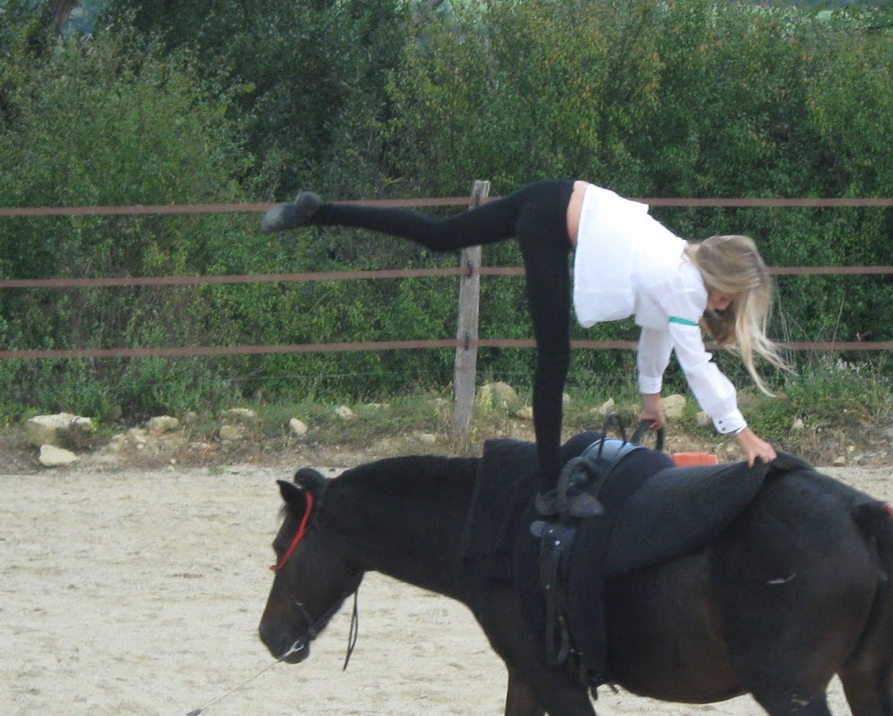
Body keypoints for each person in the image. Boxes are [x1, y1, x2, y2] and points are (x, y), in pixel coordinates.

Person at [261, 180, 786, 514]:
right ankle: (549, 487)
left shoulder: (680, 272)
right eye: (731, 296)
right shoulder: (685, 283)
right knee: (554, 356)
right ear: (719, 279)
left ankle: (318, 210)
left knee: (440, 235)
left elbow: (658, 333)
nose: (724, 307)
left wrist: (651, 396)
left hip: (553, 196)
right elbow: (696, 366)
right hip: (551, 219)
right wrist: (746, 438)